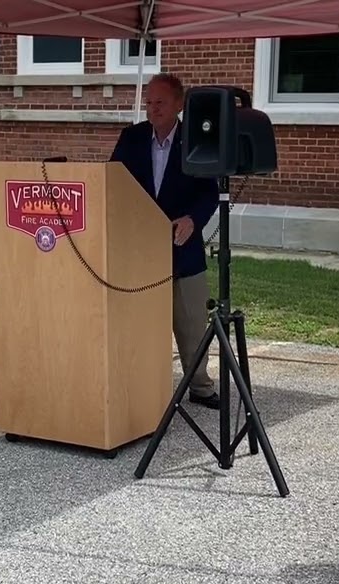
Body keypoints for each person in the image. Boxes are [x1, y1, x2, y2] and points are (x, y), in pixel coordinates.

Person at [108, 72, 221, 409]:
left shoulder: (197, 140)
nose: (153, 108)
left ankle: (199, 387)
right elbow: (113, 181)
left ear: (179, 104)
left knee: (191, 324)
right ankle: (145, 386)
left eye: (160, 102)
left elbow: (210, 192)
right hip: (140, 250)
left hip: (183, 249)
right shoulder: (132, 138)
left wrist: (192, 219)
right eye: (149, 102)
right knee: (141, 324)